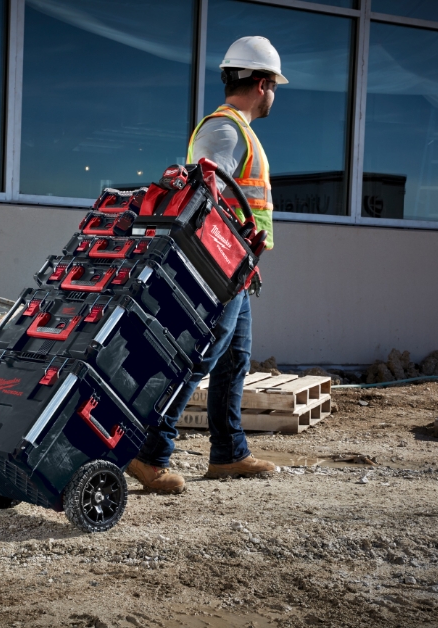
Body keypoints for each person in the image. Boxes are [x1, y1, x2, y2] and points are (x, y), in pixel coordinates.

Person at [126, 36, 285, 493]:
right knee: (201, 358)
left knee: (234, 358)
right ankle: (149, 454)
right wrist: (224, 265)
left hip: (238, 267)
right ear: (261, 83)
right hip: (222, 268)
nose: (274, 94)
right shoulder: (226, 130)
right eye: (274, 84)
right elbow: (208, 202)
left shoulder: (237, 130)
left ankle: (229, 454)